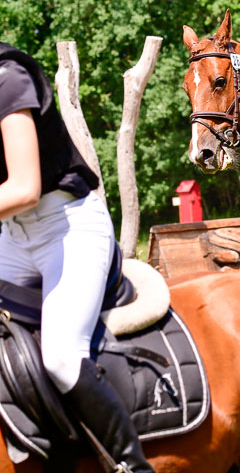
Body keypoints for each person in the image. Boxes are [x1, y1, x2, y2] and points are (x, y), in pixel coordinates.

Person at [0, 43, 154, 472]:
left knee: (62, 355)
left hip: (66, 226)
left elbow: (24, 187)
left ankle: (131, 466)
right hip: (11, 235)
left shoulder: (7, 76)